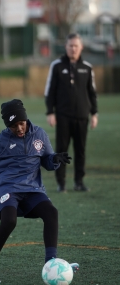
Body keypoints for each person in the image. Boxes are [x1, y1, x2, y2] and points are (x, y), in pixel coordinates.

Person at [0, 99, 79, 284]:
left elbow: (47, 161)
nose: (19, 128)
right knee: (9, 221)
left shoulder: (40, 134)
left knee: (51, 213)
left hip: (32, 188)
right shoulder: (2, 140)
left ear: (26, 119)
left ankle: (51, 264)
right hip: (8, 186)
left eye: (21, 123)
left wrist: (55, 158)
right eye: (13, 126)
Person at [45, 33, 98, 192]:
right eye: (70, 46)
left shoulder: (87, 68)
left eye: (76, 46)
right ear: (66, 47)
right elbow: (50, 91)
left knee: (80, 150)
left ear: (81, 47)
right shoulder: (57, 66)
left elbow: (92, 92)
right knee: (62, 150)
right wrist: (50, 112)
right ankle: (61, 183)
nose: (73, 49)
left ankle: (79, 182)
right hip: (63, 116)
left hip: (82, 116)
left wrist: (94, 113)